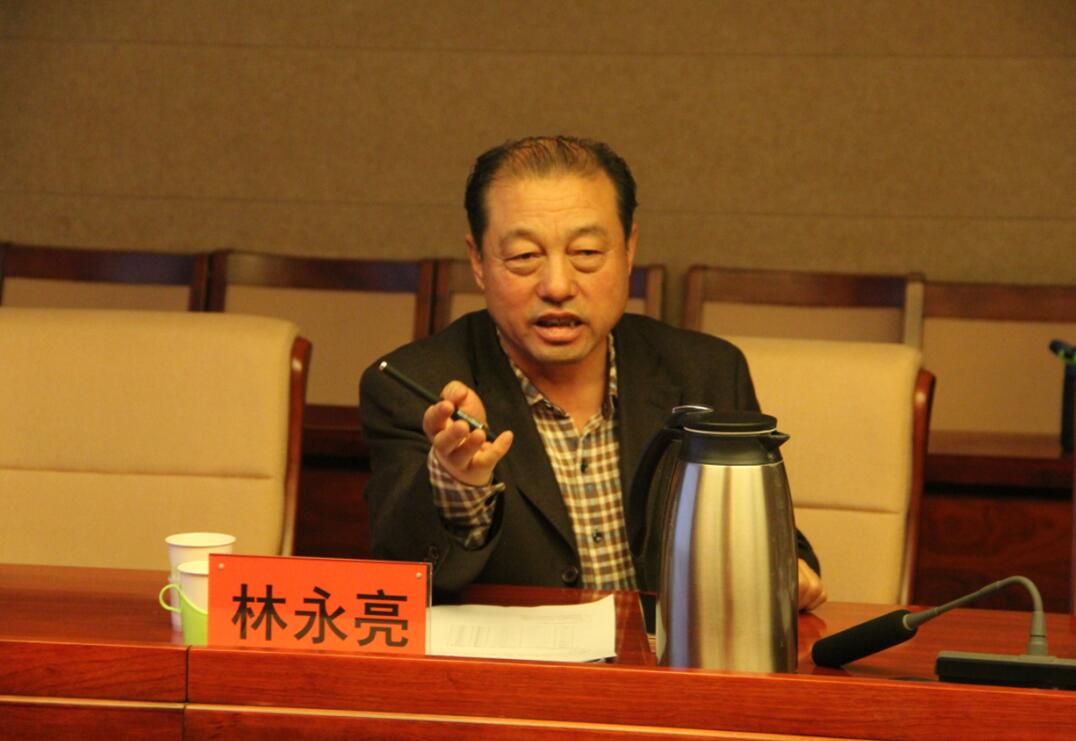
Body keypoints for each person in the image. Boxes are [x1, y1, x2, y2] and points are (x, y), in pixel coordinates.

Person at [359, 135, 826, 610]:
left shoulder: (706, 371)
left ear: (628, 250)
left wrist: (785, 570)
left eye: (585, 252)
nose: (558, 286)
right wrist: (457, 483)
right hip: (511, 659)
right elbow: (401, 576)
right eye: (524, 257)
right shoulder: (417, 386)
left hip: (667, 653)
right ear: (478, 261)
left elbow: (776, 544)